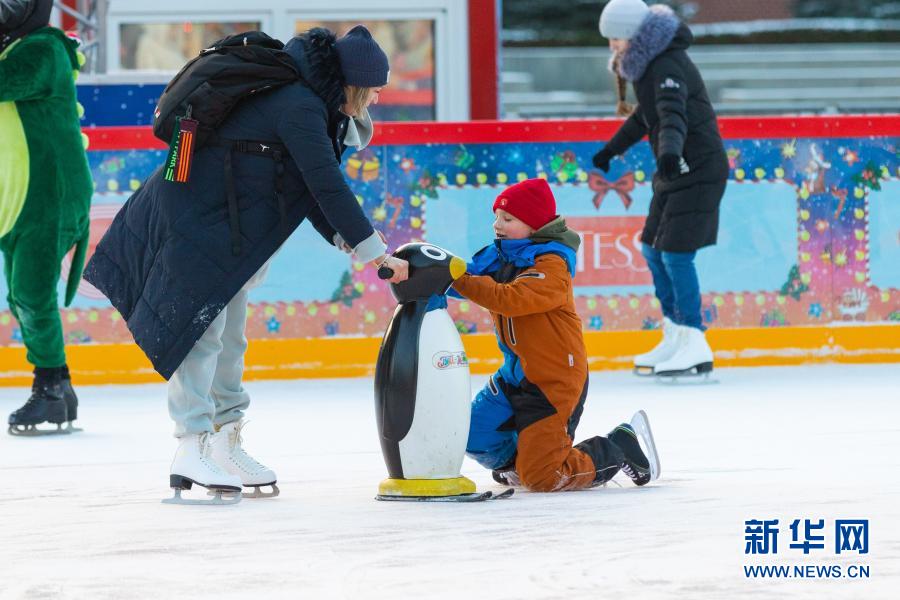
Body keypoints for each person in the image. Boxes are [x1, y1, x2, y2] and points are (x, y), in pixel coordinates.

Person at [84, 25, 409, 500]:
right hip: (196, 223)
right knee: (199, 334)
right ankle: (191, 443)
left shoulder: (308, 106)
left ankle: (224, 441)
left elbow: (308, 188)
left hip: (227, 232)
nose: (376, 100)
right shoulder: (298, 106)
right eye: (374, 91)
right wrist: (374, 252)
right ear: (354, 84)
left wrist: (345, 238)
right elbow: (327, 185)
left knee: (229, 337)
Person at [451, 178, 656, 492]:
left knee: (545, 478)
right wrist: (421, 269)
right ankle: (523, 463)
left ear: (534, 226)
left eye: (508, 219)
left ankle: (617, 446)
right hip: (516, 375)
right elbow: (464, 276)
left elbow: (510, 298)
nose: (497, 225)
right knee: (470, 433)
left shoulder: (552, 265)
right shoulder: (501, 257)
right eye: (496, 217)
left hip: (554, 381)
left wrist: (454, 277)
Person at [592, 0, 728, 376]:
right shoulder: (648, 65)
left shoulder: (667, 63)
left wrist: (668, 152)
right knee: (652, 249)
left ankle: (694, 340)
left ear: (635, 36)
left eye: (617, 37)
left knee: (676, 255)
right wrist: (611, 150)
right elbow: (645, 116)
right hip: (675, 170)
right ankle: (675, 333)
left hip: (697, 169)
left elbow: (672, 114)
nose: (613, 46)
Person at [0, 0, 92, 436]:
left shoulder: (43, 49)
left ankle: (51, 389)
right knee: (22, 297)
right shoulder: (15, 47)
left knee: (32, 293)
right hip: (19, 198)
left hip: (49, 193)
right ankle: (61, 385)